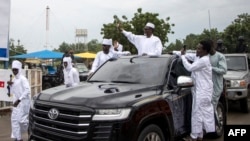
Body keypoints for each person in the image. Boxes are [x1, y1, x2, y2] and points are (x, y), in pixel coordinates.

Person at [174, 40, 215, 141]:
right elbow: (188, 55)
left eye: (199, 49)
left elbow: (189, 68)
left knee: (197, 113)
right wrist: (178, 53)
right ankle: (199, 136)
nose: (196, 50)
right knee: (199, 113)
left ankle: (193, 136)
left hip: (204, 91)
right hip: (199, 90)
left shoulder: (204, 60)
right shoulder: (198, 56)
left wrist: (183, 57)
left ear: (205, 51)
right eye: (196, 48)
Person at [7, 60, 31, 141]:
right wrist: (9, 86)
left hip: (23, 103)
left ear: (19, 69)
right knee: (14, 121)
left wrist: (19, 100)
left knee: (22, 121)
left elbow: (27, 90)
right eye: (13, 69)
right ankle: (18, 138)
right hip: (16, 104)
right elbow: (11, 93)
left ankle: (31, 127)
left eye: (16, 69)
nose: (14, 71)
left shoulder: (23, 79)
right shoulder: (13, 80)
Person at [209, 40, 227, 126]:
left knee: (212, 106)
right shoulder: (205, 56)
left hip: (216, 86)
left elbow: (223, 70)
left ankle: (216, 125)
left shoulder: (220, 56)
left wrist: (211, 68)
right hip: (206, 86)